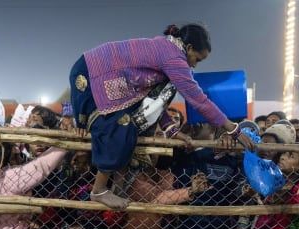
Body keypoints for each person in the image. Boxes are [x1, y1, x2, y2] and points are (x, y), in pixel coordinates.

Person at [68, 23, 254, 210]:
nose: (194, 65)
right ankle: (99, 190)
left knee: (130, 129)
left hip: (102, 75)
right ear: (188, 48)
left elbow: (154, 100)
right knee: (120, 127)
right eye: (197, 58)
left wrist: (172, 130)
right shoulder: (173, 56)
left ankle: (116, 185)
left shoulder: (168, 50)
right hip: (91, 73)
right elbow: (198, 100)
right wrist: (235, 129)